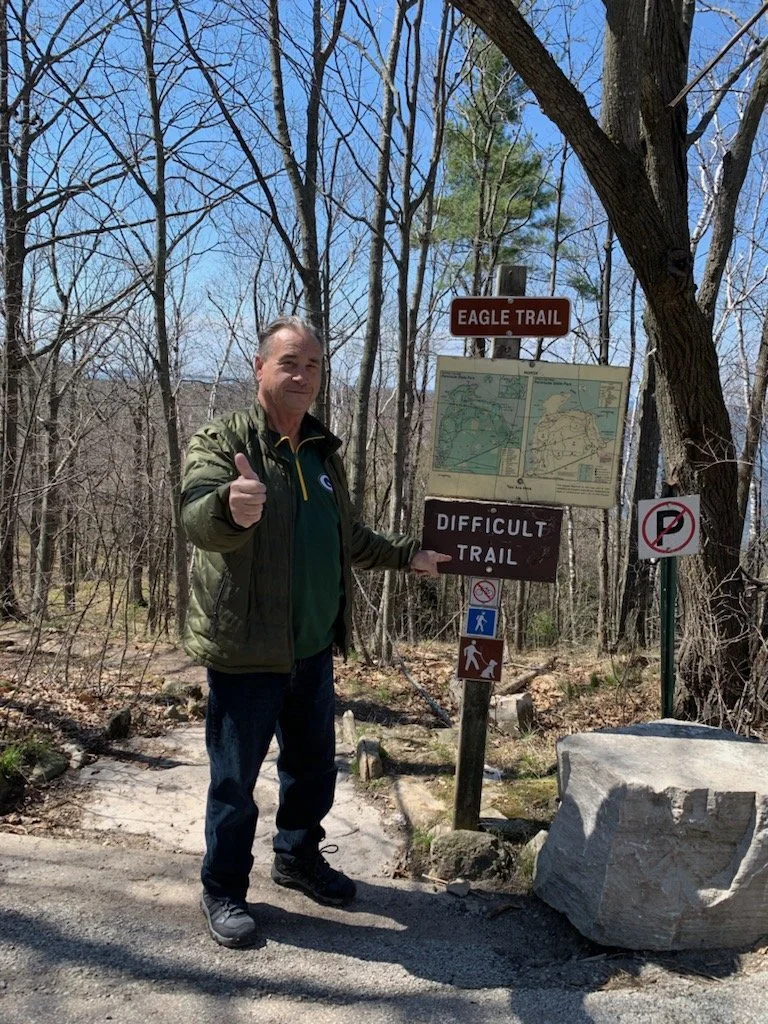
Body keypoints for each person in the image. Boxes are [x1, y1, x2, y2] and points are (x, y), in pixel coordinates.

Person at [181, 314, 450, 948]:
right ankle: (223, 889)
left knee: (310, 772)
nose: (303, 376)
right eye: (289, 363)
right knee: (234, 782)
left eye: (313, 366)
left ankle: (297, 858)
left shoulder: (324, 455)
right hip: (247, 650)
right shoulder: (223, 441)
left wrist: (407, 554)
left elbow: (346, 538)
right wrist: (230, 506)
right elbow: (197, 516)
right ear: (260, 369)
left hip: (311, 648)